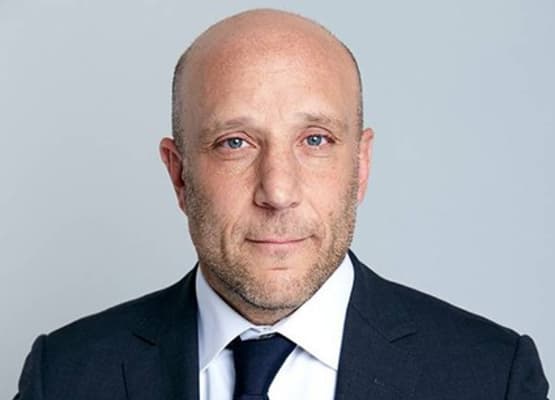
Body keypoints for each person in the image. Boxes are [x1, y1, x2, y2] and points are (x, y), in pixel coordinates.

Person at [14, 8, 549, 400]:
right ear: (179, 174)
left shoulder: (491, 377)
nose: (278, 191)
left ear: (360, 165)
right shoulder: (63, 376)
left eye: (315, 140)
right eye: (235, 143)